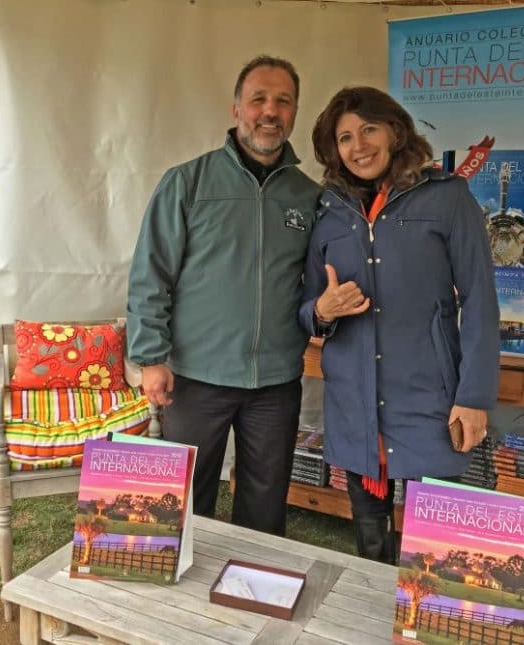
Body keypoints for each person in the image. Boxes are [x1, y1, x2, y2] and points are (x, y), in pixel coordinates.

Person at [299, 86, 499, 563]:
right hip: (354, 401)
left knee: (438, 550)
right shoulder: (328, 211)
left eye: (369, 129)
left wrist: (473, 398)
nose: (359, 146)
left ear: (394, 131)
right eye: (345, 137)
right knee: (370, 542)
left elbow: (480, 301)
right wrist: (323, 310)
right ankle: (373, 606)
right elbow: (306, 309)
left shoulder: (447, 197)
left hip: (429, 398)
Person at [126, 55, 321, 536]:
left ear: (295, 112)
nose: (270, 111)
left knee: (264, 510)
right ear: (236, 109)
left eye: (283, 101)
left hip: (275, 382)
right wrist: (150, 357)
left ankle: (252, 581)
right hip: (196, 377)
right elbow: (151, 273)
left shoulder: (309, 196)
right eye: (258, 99)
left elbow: (316, 285)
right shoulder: (187, 182)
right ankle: (184, 586)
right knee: (184, 508)